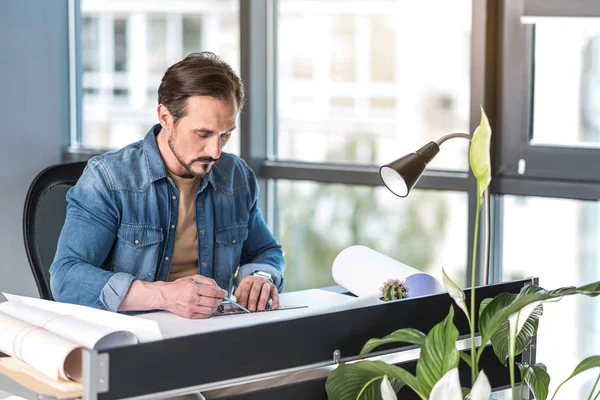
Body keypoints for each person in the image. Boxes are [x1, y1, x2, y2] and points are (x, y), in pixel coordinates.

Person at [50, 52, 285, 319]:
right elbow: (66, 277)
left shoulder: (236, 176)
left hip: (212, 335)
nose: (216, 151)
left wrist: (261, 276)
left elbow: (265, 250)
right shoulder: (109, 178)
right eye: (203, 133)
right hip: (132, 338)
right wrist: (165, 295)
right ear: (165, 117)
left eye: (225, 134)